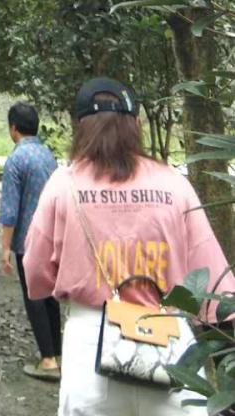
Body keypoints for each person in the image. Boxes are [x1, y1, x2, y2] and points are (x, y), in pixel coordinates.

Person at [25, 77, 234, 415]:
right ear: (136, 124)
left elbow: (35, 274)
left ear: (81, 127)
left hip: (92, 340)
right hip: (170, 343)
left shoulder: (63, 184)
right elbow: (213, 280)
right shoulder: (173, 183)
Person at [0, 100, 62, 382]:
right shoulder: (48, 155)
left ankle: (48, 361)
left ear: (13, 128)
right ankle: (57, 353)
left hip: (28, 240)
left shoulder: (16, 159)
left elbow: (10, 210)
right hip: (53, 237)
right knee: (50, 296)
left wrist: (4, 248)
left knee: (33, 296)